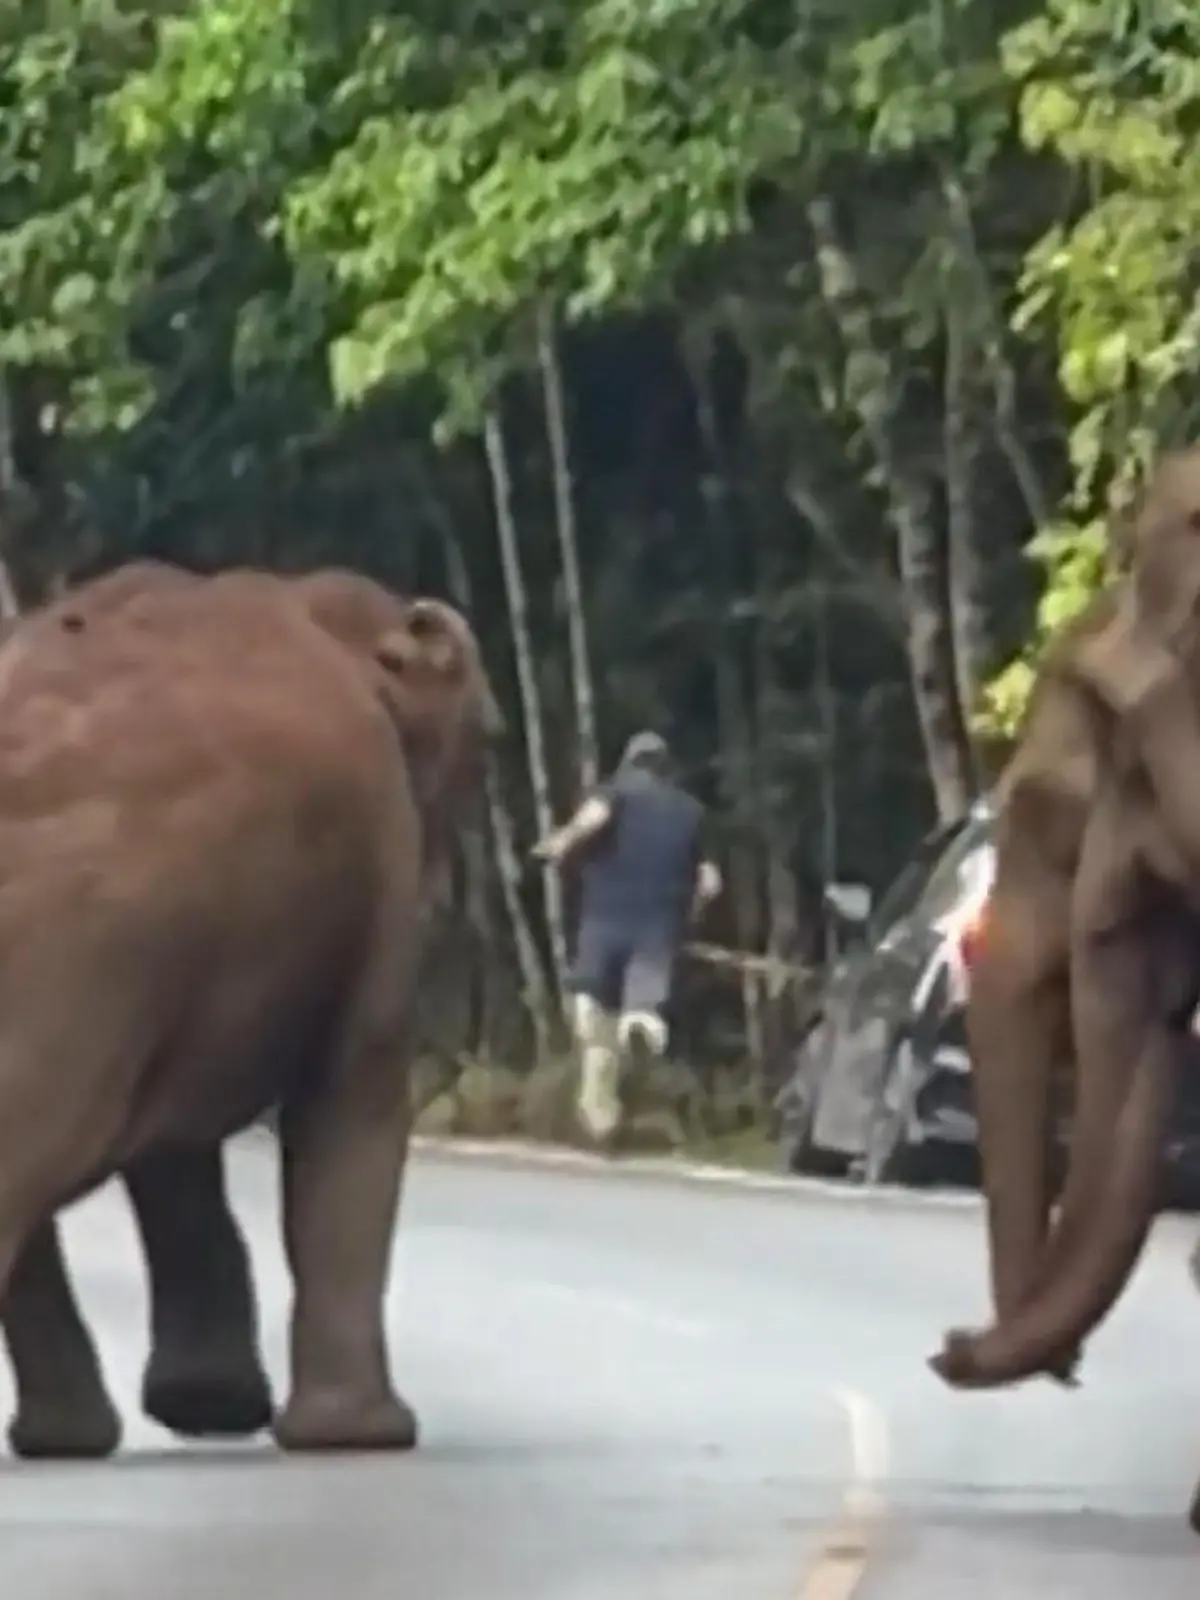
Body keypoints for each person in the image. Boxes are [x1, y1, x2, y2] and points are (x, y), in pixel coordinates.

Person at [531, 731, 721, 1143]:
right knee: (643, 1002)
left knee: (592, 1009)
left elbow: (592, 820)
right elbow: (709, 883)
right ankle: (640, 1026)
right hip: (658, 925)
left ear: (630, 762)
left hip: (605, 918)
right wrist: (689, 918)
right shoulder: (691, 811)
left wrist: (559, 844)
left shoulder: (617, 791)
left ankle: (601, 1112)